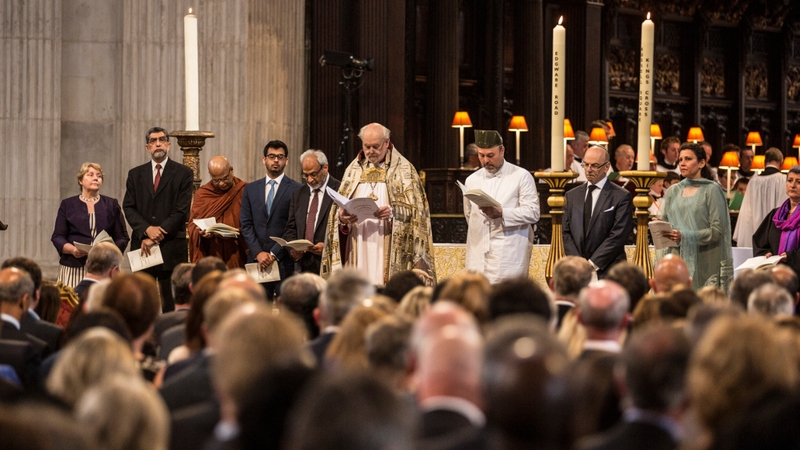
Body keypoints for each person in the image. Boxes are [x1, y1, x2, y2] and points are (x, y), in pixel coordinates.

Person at [321, 123, 436, 286]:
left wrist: (392, 215)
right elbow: (338, 213)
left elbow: (418, 217)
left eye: (375, 146)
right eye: (366, 146)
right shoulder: (353, 170)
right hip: (358, 243)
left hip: (386, 243)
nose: (370, 151)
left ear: (387, 143)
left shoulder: (405, 171)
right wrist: (342, 219)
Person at [123, 127, 193, 312]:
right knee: (141, 301)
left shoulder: (183, 173)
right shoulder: (135, 174)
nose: (158, 143)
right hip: (142, 246)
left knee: (170, 301)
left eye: (162, 140)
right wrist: (146, 230)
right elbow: (128, 207)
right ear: (147, 147)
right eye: (153, 141)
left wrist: (156, 234)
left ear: (169, 145)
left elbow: (181, 210)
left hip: (170, 245)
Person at [463, 129, 540, 283]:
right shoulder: (472, 180)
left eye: (491, 155)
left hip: (508, 255)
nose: (486, 160)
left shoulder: (521, 176)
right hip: (478, 254)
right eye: (481, 155)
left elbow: (533, 212)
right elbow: (469, 215)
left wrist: (502, 213)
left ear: (502, 150)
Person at [658, 142, 733, 292]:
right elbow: (666, 222)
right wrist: (660, 225)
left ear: (702, 163)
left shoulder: (712, 190)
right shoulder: (673, 191)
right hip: (676, 258)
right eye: (680, 160)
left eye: (688, 159)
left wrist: (684, 235)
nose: (682, 163)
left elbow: (717, 231)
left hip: (704, 260)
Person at [240, 140, 302, 301]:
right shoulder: (250, 189)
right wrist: (258, 252)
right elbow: (246, 224)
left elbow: (293, 225)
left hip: (283, 260)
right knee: (257, 307)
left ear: (286, 160)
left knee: (285, 308)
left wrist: (274, 253)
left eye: (280, 157)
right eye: (272, 156)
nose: (276, 160)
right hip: (257, 260)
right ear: (264, 159)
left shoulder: (296, 189)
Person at [51, 162, 129, 288]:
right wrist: (73, 250)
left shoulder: (111, 204)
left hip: (104, 266)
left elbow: (122, 237)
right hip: (73, 266)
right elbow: (58, 236)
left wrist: (108, 252)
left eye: (99, 176)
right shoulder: (68, 204)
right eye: (90, 175)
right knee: (72, 305)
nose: (95, 178)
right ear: (80, 180)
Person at [563, 146, 634, 278]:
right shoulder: (571, 196)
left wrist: (592, 263)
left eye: (594, 166)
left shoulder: (621, 196)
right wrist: (579, 262)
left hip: (609, 270)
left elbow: (618, 235)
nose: (589, 170)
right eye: (586, 165)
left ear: (606, 167)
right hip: (577, 272)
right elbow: (566, 233)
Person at [282, 150, 341, 276]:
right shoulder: (298, 194)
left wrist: (327, 248)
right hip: (303, 266)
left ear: (325, 167)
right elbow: (290, 228)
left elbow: (346, 229)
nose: (309, 180)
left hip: (330, 265)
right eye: (305, 175)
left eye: (313, 174)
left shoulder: (341, 190)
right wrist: (292, 250)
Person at [188, 156, 248, 269]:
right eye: (216, 180)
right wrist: (202, 233)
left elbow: (255, 221)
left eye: (224, 178)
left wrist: (237, 232)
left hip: (237, 250)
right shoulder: (203, 194)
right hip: (213, 251)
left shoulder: (245, 190)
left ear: (231, 170)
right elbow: (192, 225)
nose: (221, 184)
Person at [733, 147, 786, 247]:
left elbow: (746, 213)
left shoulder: (753, 182)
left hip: (755, 231)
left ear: (765, 162)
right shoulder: (784, 180)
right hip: (775, 233)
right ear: (781, 162)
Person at [753, 166, 800, 279]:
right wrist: (766, 253)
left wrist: (790, 257)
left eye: (798, 182)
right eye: (790, 180)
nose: (792, 185)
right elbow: (760, 242)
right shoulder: (776, 214)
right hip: (774, 277)